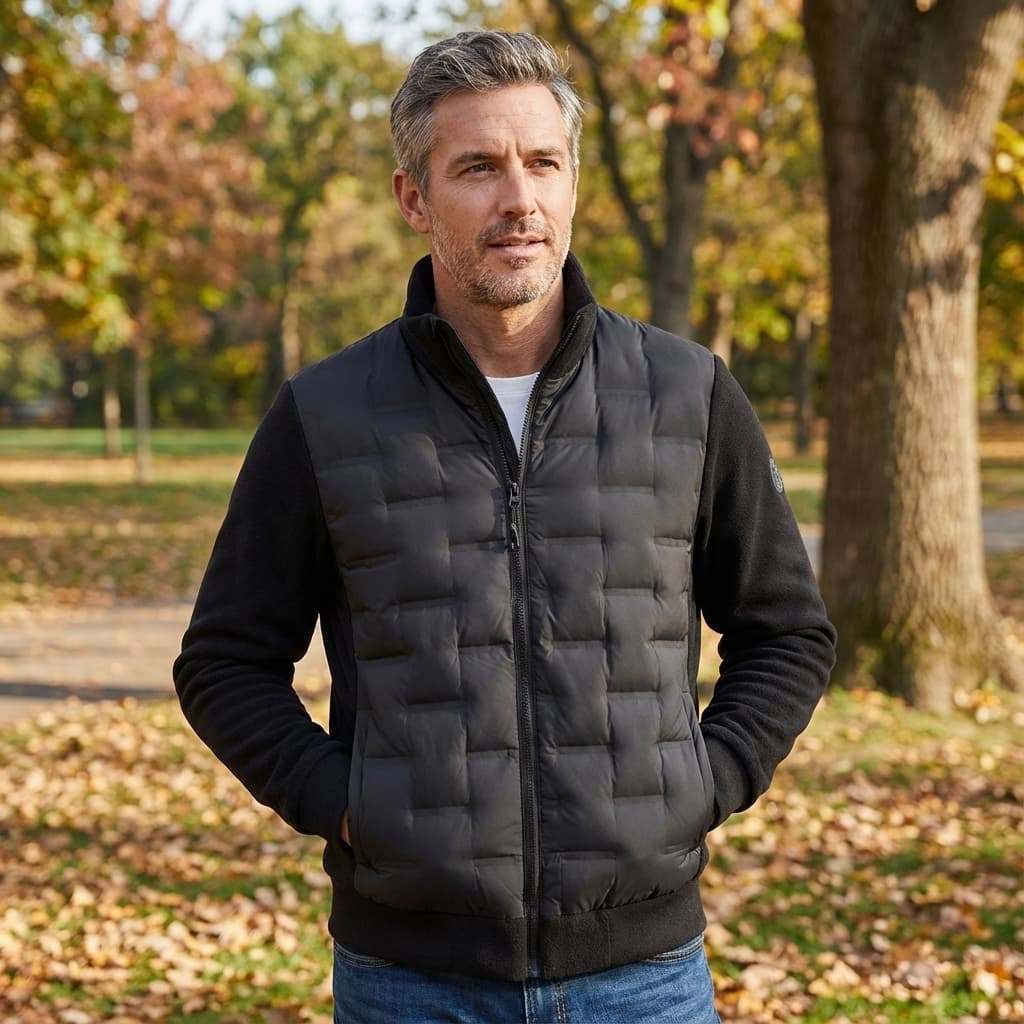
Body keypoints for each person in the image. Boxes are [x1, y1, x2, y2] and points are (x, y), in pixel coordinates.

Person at [174, 30, 836, 1024]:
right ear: (414, 198)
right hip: (409, 979)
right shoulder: (327, 413)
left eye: (543, 163)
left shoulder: (688, 394)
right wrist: (348, 808)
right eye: (478, 167)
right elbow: (224, 661)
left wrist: (701, 786)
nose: (519, 198)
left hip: (644, 977)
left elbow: (787, 633)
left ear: (573, 183)